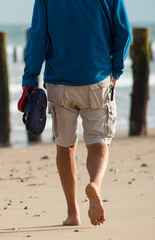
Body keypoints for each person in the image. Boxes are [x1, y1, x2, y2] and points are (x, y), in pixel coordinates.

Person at [21, 0, 132, 226]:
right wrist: (116, 70)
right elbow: (123, 32)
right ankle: (95, 184)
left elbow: (37, 36)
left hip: (59, 84)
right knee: (99, 141)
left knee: (65, 146)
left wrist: (30, 79)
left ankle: (73, 214)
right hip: (97, 79)